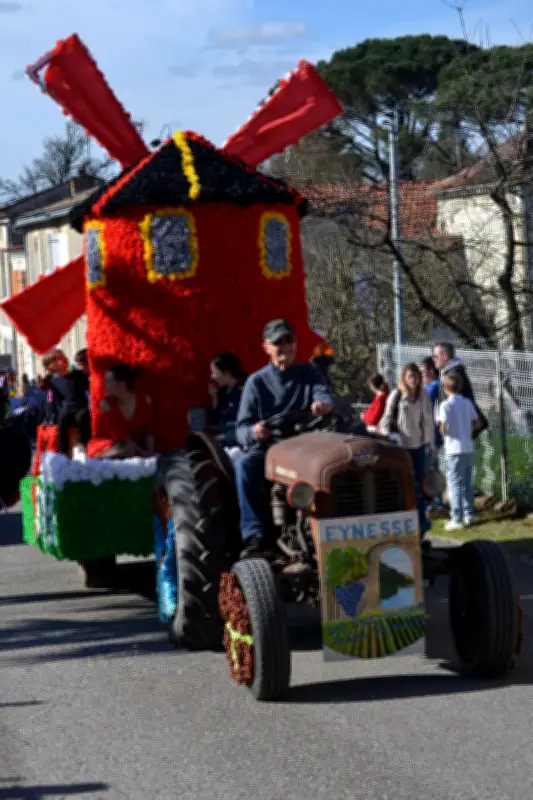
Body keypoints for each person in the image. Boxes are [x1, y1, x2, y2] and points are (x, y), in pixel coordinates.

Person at [235, 319, 333, 558]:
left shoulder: (310, 373)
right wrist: (253, 432)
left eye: (289, 340)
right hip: (271, 447)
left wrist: (322, 404)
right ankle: (254, 533)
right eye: (278, 343)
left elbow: (322, 394)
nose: (285, 347)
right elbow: (241, 429)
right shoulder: (256, 383)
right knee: (245, 465)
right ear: (266, 348)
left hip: (307, 442)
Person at [379, 363, 435, 536]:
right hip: (400, 445)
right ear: (404, 377)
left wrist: (430, 443)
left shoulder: (422, 395)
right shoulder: (397, 394)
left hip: (417, 445)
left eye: (416, 376)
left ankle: (420, 521)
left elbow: (427, 420)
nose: (413, 380)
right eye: (410, 376)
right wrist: (389, 435)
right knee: (402, 482)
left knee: (419, 485)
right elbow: (387, 417)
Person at [438, 371, 481, 530]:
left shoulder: (445, 405)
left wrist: (447, 434)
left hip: (453, 448)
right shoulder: (467, 402)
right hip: (467, 446)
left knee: (454, 483)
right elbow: (476, 422)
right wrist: (467, 431)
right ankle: (469, 514)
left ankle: (457, 517)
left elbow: (443, 427)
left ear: (445, 388)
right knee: (467, 483)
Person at [87, 363, 154, 459]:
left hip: (130, 446)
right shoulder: (106, 404)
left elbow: (149, 430)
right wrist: (141, 452)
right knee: (126, 448)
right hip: (106, 444)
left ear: (122, 385)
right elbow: (118, 435)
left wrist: (149, 452)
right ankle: (94, 461)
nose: (104, 385)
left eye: (108, 382)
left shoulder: (144, 400)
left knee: (129, 449)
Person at [432, 342, 487, 437]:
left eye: (435, 356)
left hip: (457, 431)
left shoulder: (454, 374)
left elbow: (458, 403)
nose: (433, 360)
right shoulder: (448, 371)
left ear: (445, 356)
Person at [209, 352, 246, 427]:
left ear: (227, 373)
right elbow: (217, 420)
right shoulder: (222, 392)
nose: (212, 377)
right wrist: (215, 398)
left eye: (214, 372)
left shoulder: (244, 390)